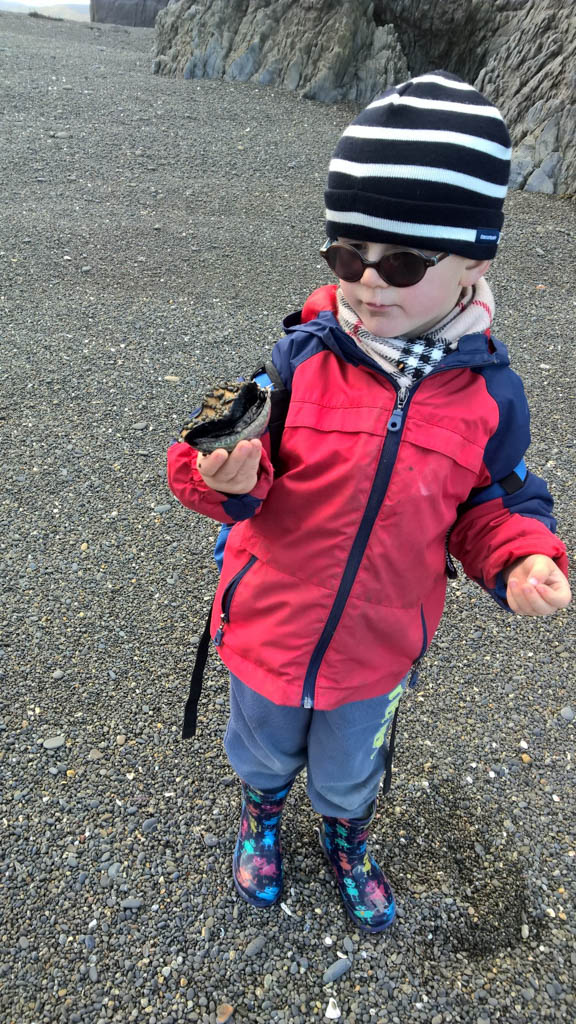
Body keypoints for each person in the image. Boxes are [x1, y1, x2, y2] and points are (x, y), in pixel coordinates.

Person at [167, 70, 571, 933]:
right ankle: (262, 813)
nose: (368, 283)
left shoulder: (489, 396)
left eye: (402, 262)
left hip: (379, 644)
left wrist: (520, 557)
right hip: (270, 620)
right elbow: (211, 441)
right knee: (263, 741)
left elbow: (494, 498)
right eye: (348, 256)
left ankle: (347, 834)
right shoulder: (300, 357)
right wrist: (224, 476)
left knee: (354, 762)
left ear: (473, 264)